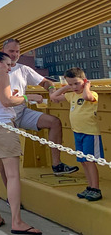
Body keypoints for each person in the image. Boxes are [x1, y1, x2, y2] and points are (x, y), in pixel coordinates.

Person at [0, 52, 42, 234]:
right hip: (1, 126)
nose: (10, 68)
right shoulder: (1, 75)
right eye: (8, 64)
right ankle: (17, 222)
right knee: (12, 175)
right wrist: (29, 97)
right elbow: (7, 101)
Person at [2, 39, 78, 175]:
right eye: (11, 51)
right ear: (3, 52)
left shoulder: (23, 69)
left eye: (18, 51)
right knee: (7, 156)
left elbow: (45, 82)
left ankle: (57, 165)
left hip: (21, 112)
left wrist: (50, 89)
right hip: (3, 117)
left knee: (54, 122)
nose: (15, 54)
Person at [50, 68, 103, 201]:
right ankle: (90, 186)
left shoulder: (92, 94)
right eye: (71, 84)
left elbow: (87, 97)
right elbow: (54, 97)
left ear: (84, 82)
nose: (74, 87)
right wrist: (66, 87)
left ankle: (96, 188)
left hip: (90, 133)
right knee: (83, 161)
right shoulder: (71, 95)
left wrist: (87, 86)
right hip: (78, 133)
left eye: (76, 83)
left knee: (90, 161)